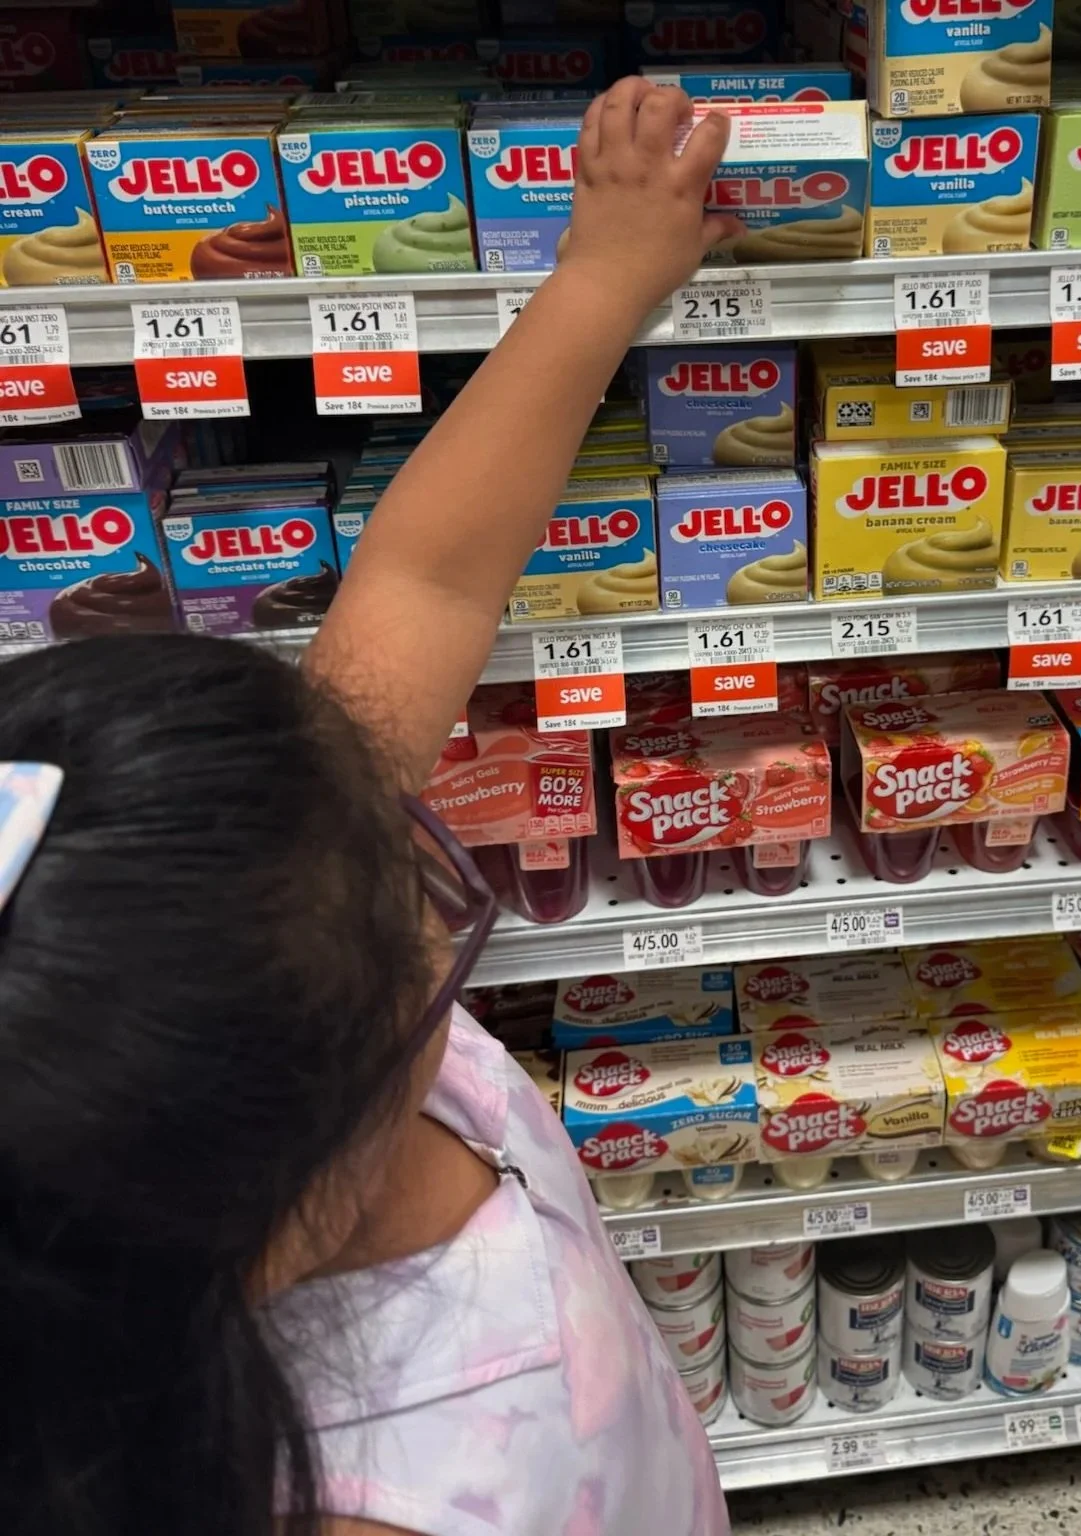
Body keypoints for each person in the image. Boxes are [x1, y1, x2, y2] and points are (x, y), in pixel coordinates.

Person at [0, 80, 743, 1536]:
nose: (415, 880)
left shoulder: (236, 1018)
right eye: (419, 910)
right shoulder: (363, 1500)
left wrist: (600, 276)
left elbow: (422, 586)